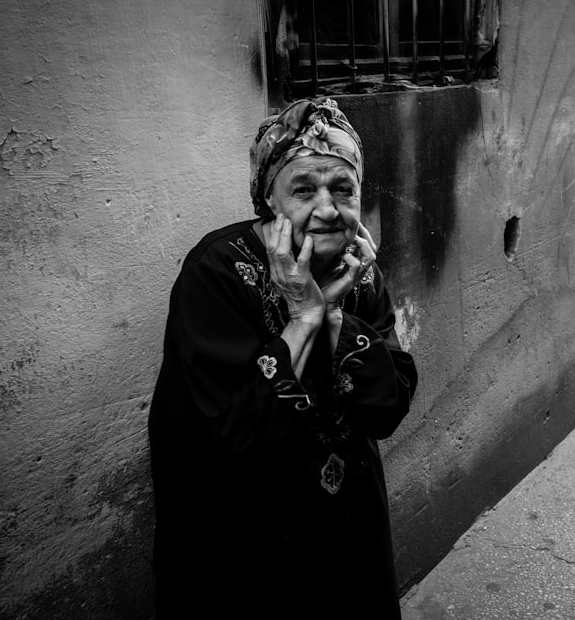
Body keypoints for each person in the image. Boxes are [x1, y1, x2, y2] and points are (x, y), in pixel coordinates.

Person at [148, 97, 417, 619]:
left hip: (345, 533)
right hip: (243, 545)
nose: (326, 208)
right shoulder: (219, 270)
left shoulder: (357, 271)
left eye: (343, 189)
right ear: (268, 200)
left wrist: (333, 315)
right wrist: (301, 317)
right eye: (303, 189)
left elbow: (389, 406)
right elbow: (234, 432)